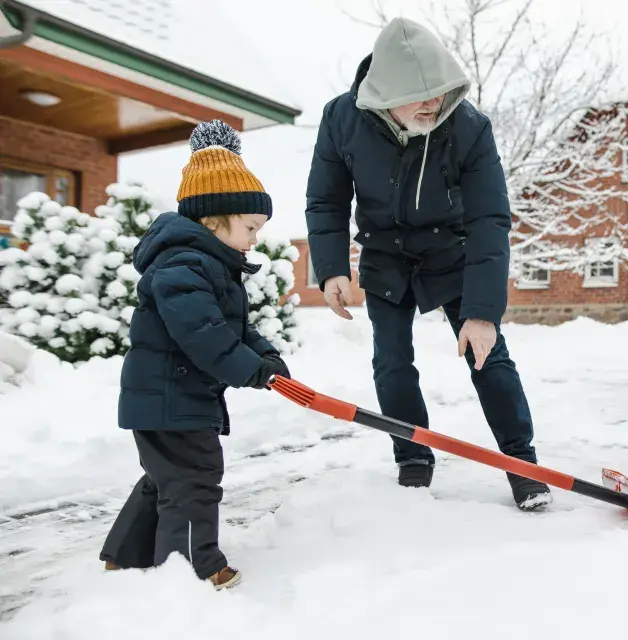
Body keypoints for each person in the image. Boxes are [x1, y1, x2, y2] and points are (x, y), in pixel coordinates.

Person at [304, 17, 551, 511]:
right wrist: (331, 268)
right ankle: (412, 454)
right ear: (386, 91)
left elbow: (489, 219)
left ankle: (522, 462)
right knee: (392, 363)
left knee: (488, 355)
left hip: (452, 250)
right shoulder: (341, 120)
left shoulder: (468, 127)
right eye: (420, 95)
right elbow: (326, 200)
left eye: (439, 93)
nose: (432, 104)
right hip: (383, 253)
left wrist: (481, 313)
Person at [98, 120, 290, 590]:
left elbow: (235, 330)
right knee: (193, 479)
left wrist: (268, 359)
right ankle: (190, 569)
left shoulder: (209, 265)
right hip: (171, 399)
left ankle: (126, 554)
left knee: (167, 478)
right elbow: (204, 337)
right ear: (212, 221)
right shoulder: (184, 265)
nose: (255, 238)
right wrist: (253, 372)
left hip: (171, 398)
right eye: (250, 227)